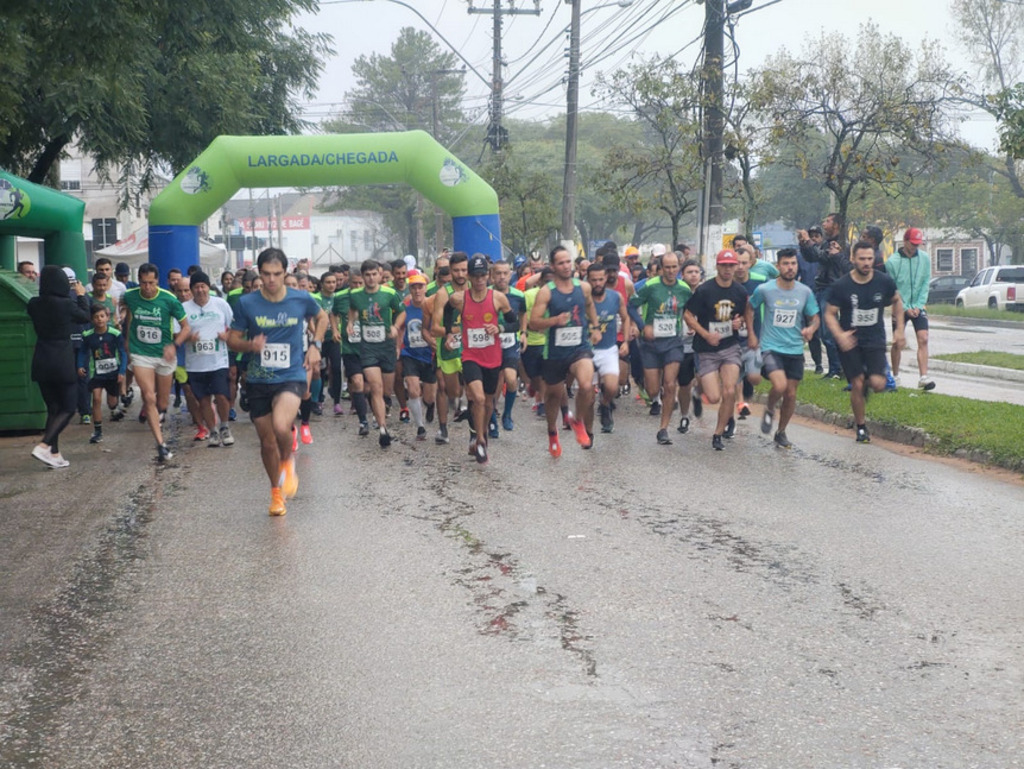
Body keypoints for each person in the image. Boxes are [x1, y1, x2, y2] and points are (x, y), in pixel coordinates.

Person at [228, 248, 327, 516]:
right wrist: (249, 345)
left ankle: (288, 461)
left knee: (282, 425)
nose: (271, 280)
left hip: (291, 374)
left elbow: (322, 318)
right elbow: (232, 338)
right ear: (259, 274)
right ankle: (275, 492)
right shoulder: (247, 303)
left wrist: (315, 345)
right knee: (266, 441)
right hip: (259, 378)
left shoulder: (301, 298)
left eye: (277, 274)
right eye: (266, 274)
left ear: (285, 273)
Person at [825, 240, 905, 443]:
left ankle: (868, 382)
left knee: (878, 384)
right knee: (857, 383)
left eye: (870, 258)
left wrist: (900, 330)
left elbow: (897, 301)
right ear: (853, 259)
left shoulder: (884, 281)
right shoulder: (842, 285)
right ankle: (861, 427)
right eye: (862, 259)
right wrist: (840, 335)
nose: (867, 263)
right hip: (850, 341)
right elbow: (829, 313)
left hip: (875, 339)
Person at [529, 245, 603, 456]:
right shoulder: (547, 292)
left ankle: (578, 420)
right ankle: (552, 432)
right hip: (554, 351)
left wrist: (595, 327)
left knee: (587, 385)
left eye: (568, 261)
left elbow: (589, 307)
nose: (565, 266)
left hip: (579, 347)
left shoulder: (584, 287)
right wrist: (554, 320)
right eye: (560, 263)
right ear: (552, 266)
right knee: (552, 396)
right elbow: (534, 322)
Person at [683, 250, 758, 451]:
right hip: (706, 349)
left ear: (736, 267)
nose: (728, 269)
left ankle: (718, 433)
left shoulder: (740, 291)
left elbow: (745, 313)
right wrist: (705, 334)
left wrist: (741, 324)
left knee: (730, 389)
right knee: (714, 397)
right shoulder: (705, 290)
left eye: (731, 265)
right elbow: (688, 315)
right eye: (724, 265)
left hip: (729, 346)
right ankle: (699, 391)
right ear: (717, 266)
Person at [444, 254, 515, 464]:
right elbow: (447, 312)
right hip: (470, 356)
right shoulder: (459, 298)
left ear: (489, 276)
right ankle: (480, 440)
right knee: (479, 398)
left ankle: (479, 432)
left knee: (490, 400)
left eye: (483, 275)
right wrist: (449, 332)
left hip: (493, 357)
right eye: (475, 276)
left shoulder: (498, 298)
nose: (479, 279)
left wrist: (499, 327)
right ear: (469, 277)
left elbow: (514, 323)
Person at [749, 249, 820, 449]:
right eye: (786, 263)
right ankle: (770, 407)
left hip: (795, 349)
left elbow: (815, 317)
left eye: (793, 263)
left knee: (790, 394)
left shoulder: (805, 291)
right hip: (771, 347)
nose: (790, 267)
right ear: (778, 266)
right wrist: (753, 334)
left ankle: (780, 432)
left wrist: (811, 329)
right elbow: (750, 307)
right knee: (779, 386)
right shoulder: (765, 289)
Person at [122, 262, 191, 461]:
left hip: (164, 355)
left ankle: (159, 415)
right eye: (143, 283)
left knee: (161, 402)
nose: (147, 288)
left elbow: (186, 327)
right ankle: (161, 444)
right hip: (141, 353)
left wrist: (174, 345)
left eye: (151, 283)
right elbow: (127, 316)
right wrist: (127, 340)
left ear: (157, 281)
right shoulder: (130, 296)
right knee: (148, 396)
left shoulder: (169, 300)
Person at [27, 266, 92, 467]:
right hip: (62, 360)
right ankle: (44, 445)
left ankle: (54, 454)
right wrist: (81, 295)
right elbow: (84, 316)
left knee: (53, 409)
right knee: (69, 407)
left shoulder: (34, 303)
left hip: (41, 359)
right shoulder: (66, 304)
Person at [629, 249, 692, 445]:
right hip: (651, 344)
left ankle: (663, 429)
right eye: (667, 267)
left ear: (679, 268)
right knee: (653, 389)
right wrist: (642, 327)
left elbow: (689, 310)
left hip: (673, 342)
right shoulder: (650, 286)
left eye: (675, 267)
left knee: (671, 384)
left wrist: (693, 326)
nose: (671, 271)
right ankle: (658, 395)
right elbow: (631, 306)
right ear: (661, 269)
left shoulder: (684, 289)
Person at [348, 259, 405, 448]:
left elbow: (402, 312)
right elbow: (353, 310)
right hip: (368, 348)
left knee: (386, 391)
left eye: (374, 275)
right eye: (367, 275)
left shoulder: (389, 294)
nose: (371, 278)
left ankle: (384, 405)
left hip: (386, 346)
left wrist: (396, 327)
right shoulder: (355, 295)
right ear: (363, 277)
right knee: (376, 387)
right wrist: (350, 323)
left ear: (380, 275)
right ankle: (382, 429)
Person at [182, 271, 235, 448]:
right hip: (196, 364)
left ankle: (225, 427)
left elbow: (233, 326)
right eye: (196, 287)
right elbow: (177, 332)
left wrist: (227, 335)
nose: (200, 290)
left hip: (218, 361)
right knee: (203, 400)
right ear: (191, 290)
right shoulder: (184, 309)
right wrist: (189, 338)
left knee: (221, 395)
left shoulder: (221, 305)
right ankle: (212, 431)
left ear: (208, 287)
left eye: (203, 286)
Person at [797, 213, 850, 380]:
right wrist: (804, 244)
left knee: (828, 331)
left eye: (827, 221)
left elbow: (821, 256)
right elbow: (812, 257)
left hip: (830, 287)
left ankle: (836, 368)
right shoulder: (826, 243)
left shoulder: (837, 244)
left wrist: (808, 241)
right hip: (820, 288)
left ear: (836, 225)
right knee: (821, 329)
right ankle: (833, 368)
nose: (824, 224)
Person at [887, 227, 935, 391]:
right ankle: (895, 375)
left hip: (918, 304)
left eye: (918, 244)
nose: (915, 247)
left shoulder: (924, 259)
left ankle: (923, 377)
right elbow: (892, 288)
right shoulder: (892, 262)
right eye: (913, 243)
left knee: (923, 338)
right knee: (897, 342)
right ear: (905, 241)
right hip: (900, 305)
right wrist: (906, 308)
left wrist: (919, 305)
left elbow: (925, 283)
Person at [586, 262, 630, 434]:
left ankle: (605, 405)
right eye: (593, 280)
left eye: (600, 279)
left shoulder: (615, 297)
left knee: (612, 387)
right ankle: (588, 429)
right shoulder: (583, 298)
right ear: (588, 280)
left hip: (608, 349)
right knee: (587, 395)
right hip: (586, 351)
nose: (597, 283)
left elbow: (625, 318)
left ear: (605, 279)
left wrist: (625, 341)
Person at [77, 304, 127, 444]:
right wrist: (80, 365)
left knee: (112, 402)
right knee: (97, 399)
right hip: (96, 373)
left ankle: (114, 407)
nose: (99, 320)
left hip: (112, 372)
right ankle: (97, 431)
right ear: (92, 320)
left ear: (107, 317)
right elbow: (82, 351)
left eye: (102, 316)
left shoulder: (115, 334)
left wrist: (122, 371)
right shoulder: (88, 336)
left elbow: (122, 352)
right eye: (96, 317)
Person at [398, 273, 436, 440]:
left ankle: (431, 405)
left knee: (429, 396)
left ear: (425, 288)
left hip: (430, 355)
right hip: (410, 354)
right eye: (414, 287)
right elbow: (399, 327)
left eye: (420, 286)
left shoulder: (433, 306)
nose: (417, 290)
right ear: (410, 289)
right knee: (413, 390)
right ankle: (420, 426)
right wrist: (397, 347)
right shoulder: (405, 308)